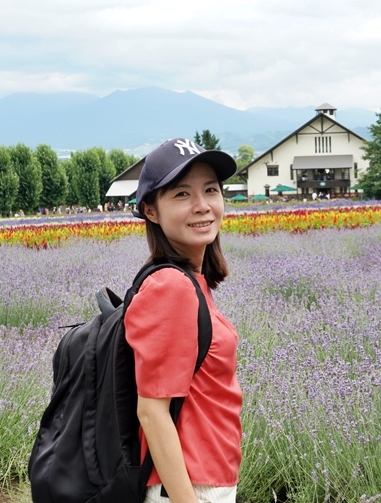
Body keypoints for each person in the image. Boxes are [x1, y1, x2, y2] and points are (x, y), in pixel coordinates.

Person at [125, 138, 242, 503]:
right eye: (181, 194)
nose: (203, 206)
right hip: (189, 488)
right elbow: (152, 411)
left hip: (205, 479)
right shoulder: (171, 287)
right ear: (151, 211)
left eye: (210, 190)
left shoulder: (189, 281)